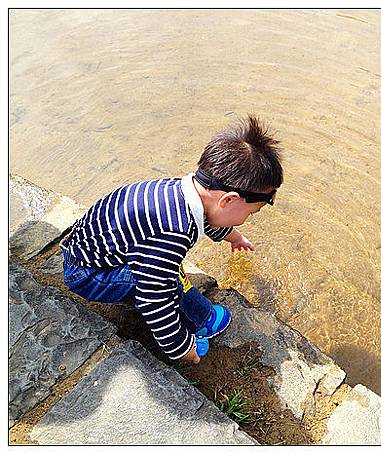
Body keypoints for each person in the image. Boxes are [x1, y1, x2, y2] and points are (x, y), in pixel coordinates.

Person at [60, 115, 283, 364]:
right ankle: (198, 322)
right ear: (228, 199)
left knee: (166, 268)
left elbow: (210, 219)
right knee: (164, 281)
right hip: (88, 274)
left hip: (90, 248)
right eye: (251, 212)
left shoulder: (183, 192)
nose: (248, 218)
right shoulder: (173, 231)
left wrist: (234, 236)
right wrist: (181, 349)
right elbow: (153, 297)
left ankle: (199, 314)